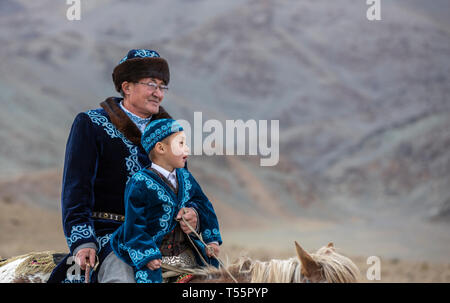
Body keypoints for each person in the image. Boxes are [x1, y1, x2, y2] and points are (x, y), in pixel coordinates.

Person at [48, 49, 200, 283]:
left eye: (162, 87)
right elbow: (76, 190)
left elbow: (186, 191)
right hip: (112, 236)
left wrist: (191, 213)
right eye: (151, 84)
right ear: (127, 87)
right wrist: (82, 241)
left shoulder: (171, 135)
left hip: (165, 239)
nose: (158, 93)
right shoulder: (91, 125)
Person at [110, 118, 222, 283]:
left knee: (218, 275)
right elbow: (134, 224)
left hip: (186, 251)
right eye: (181, 144)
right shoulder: (139, 183)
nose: (187, 149)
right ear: (161, 148)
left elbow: (203, 204)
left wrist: (211, 239)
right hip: (156, 255)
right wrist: (148, 255)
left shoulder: (185, 176)